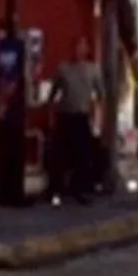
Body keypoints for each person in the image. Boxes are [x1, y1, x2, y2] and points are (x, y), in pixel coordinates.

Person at [47, 38, 103, 203]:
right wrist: (51, 117)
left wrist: (98, 119)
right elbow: (52, 95)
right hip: (65, 116)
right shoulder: (63, 69)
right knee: (60, 155)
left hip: (82, 116)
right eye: (76, 46)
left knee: (83, 156)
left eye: (81, 46)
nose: (78, 50)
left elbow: (100, 96)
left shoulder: (93, 70)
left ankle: (80, 189)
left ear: (86, 49)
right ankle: (57, 188)